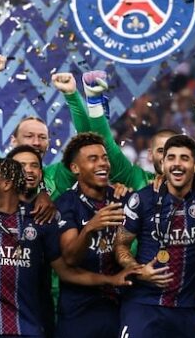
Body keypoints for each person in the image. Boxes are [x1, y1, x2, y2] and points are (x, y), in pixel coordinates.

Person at [0, 158, 132, 337]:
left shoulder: (40, 220)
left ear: (6, 184)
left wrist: (111, 280)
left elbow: (66, 272)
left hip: (29, 330)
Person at [114, 134, 195, 337]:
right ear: (163, 164)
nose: (177, 164)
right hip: (143, 304)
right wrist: (138, 270)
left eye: (184, 158)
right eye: (171, 158)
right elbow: (121, 244)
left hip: (186, 309)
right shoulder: (142, 199)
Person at [78, 70, 195, 195]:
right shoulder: (136, 179)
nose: (167, 158)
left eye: (173, 153)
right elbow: (105, 145)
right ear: (150, 155)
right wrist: (94, 101)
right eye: (162, 151)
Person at [0, 54, 91, 213]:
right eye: (29, 136)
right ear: (13, 141)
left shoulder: (58, 176)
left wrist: (72, 95)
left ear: (48, 143)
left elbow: (87, 144)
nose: (36, 142)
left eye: (42, 137)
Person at [55, 133, 127, 337]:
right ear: (75, 168)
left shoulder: (122, 197)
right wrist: (89, 228)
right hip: (78, 310)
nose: (102, 163)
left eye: (104, 158)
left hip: (118, 307)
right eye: (93, 159)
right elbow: (71, 258)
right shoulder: (66, 204)